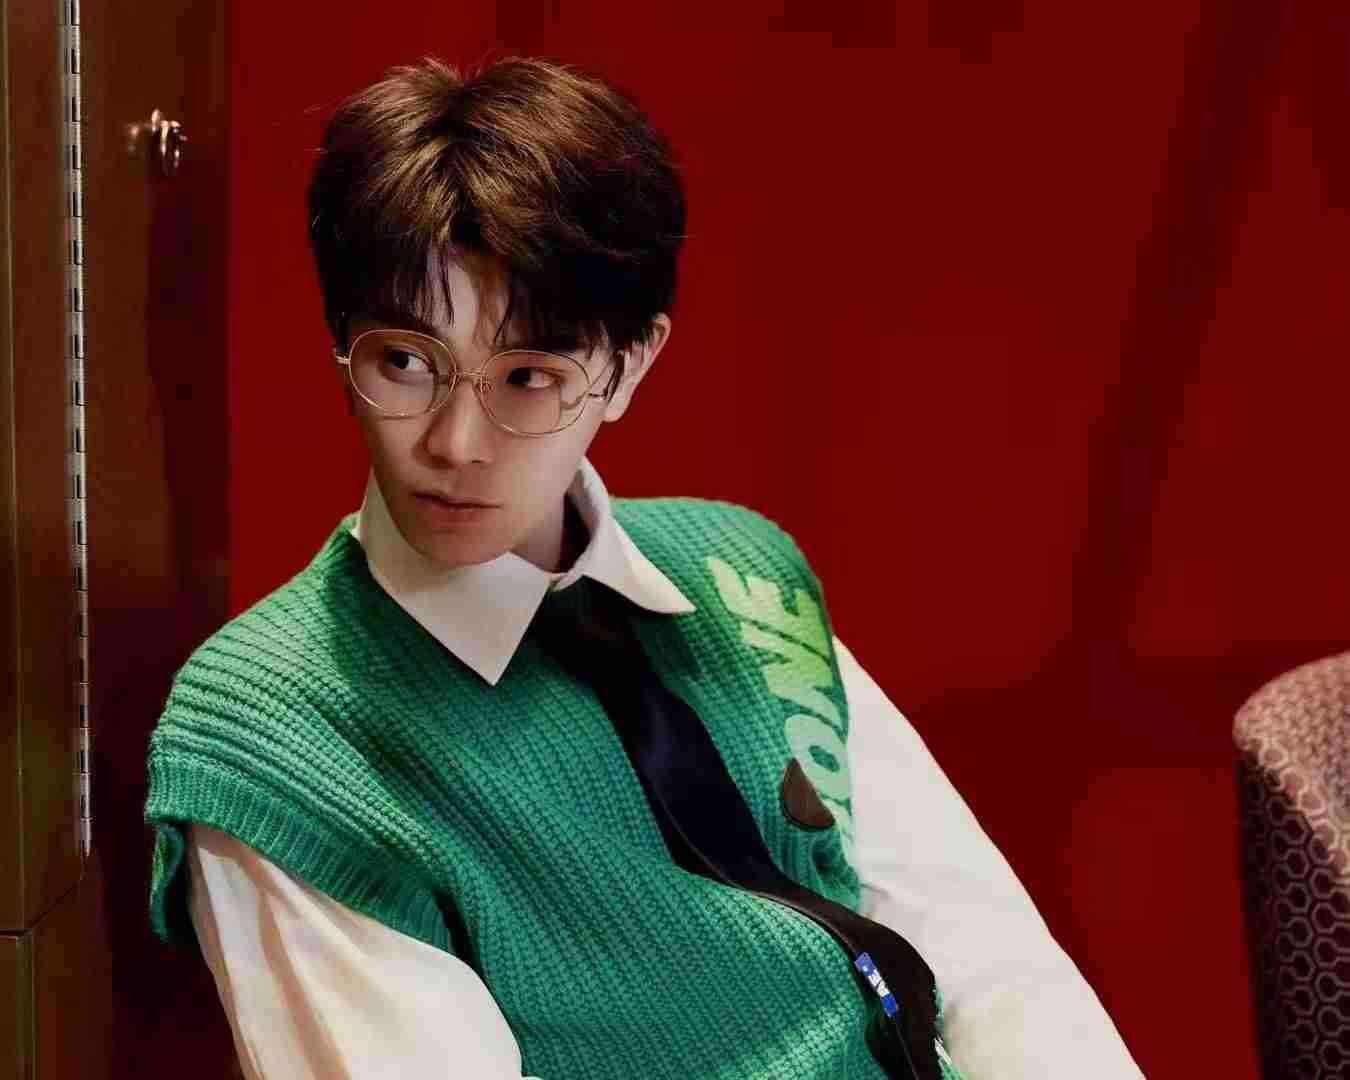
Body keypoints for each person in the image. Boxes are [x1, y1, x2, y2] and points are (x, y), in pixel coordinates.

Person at [144, 57, 1143, 1080]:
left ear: (629, 367)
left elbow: (981, 952)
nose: (453, 443)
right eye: (403, 361)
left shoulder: (735, 567)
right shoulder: (275, 729)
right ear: (342, 343)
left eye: (529, 377)